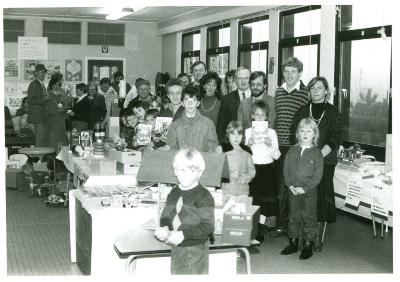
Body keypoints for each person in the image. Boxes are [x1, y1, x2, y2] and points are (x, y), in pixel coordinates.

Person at [290, 76, 343, 252]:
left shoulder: (334, 112)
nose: (316, 91)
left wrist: (317, 156)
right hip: (302, 162)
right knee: (302, 199)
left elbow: (335, 137)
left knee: (320, 198)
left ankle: (316, 235)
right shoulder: (302, 110)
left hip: (325, 161)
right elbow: (293, 134)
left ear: (326, 91)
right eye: (312, 88)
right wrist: (305, 157)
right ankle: (301, 235)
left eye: (319, 88)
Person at [155, 148, 215, 275]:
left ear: (199, 173)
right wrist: (164, 228)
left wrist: (183, 235)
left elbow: (208, 226)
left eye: (191, 170)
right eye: (181, 170)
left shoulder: (204, 195)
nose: (185, 174)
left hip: (196, 249)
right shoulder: (173, 193)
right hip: (176, 247)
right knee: (176, 273)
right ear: (175, 171)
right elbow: (165, 216)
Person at [274, 57, 309, 237]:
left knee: (295, 187)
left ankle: (295, 225)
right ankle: (282, 224)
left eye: (293, 71)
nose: (289, 75)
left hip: (295, 148)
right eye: (286, 71)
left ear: (300, 73)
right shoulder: (278, 92)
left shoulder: (305, 94)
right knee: (281, 188)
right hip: (278, 148)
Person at [281, 118, 323, 260]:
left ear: (314, 134)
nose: (305, 133)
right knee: (293, 216)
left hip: (309, 192)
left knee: (309, 217)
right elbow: (286, 169)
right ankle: (293, 243)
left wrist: (305, 188)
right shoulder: (292, 150)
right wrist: (290, 185)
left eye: (309, 131)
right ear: (298, 133)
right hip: (293, 190)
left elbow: (318, 176)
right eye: (302, 130)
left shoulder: (317, 153)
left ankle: (307, 245)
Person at [245, 101, 280, 239]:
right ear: (252, 116)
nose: (259, 118)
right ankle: (254, 228)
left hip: (267, 170)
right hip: (253, 169)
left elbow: (276, 156)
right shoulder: (248, 132)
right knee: (253, 200)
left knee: (265, 202)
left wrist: (270, 145)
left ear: (266, 117)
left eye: (262, 115)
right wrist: (249, 145)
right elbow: (244, 155)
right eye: (257, 115)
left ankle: (260, 229)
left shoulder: (271, 133)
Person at [166, 86, 218, 152]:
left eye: (193, 100)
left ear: (198, 103)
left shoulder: (208, 123)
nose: (190, 104)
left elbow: (212, 147)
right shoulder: (175, 125)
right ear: (182, 103)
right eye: (186, 100)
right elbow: (171, 147)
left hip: (201, 161)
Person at [216, 120, 255, 197]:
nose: (236, 137)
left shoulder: (247, 151)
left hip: (244, 191)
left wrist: (248, 177)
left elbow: (252, 169)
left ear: (243, 136)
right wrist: (228, 175)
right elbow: (216, 171)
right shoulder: (221, 150)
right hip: (227, 191)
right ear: (228, 135)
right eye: (233, 134)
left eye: (239, 134)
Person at [216, 67, 251, 143]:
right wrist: (225, 145)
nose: (243, 81)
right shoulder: (226, 99)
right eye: (240, 78)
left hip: (254, 145)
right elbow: (221, 127)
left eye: (246, 78)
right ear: (235, 80)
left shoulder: (257, 97)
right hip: (232, 144)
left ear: (250, 79)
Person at [45, 75, 69, 151]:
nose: (56, 86)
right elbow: (48, 108)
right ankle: (52, 158)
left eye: (58, 84)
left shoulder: (62, 93)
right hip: (52, 120)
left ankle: (61, 158)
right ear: (51, 85)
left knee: (61, 138)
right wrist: (58, 110)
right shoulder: (48, 94)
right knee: (53, 140)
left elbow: (66, 105)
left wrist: (64, 109)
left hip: (61, 120)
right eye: (54, 84)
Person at [27, 64, 48, 146]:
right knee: (39, 139)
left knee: (41, 138)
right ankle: (39, 158)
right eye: (41, 72)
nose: (43, 74)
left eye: (44, 72)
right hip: (37, 116)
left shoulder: (41, 84)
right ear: (36, 73)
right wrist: (44, 99)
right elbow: (30, 100)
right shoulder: (34, 84)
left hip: (42, 116)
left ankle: (40, 158)